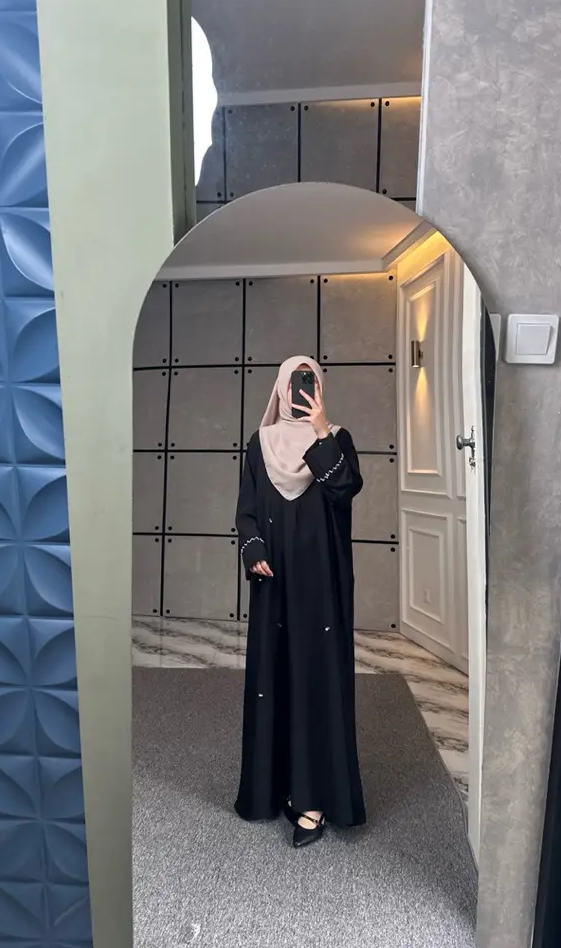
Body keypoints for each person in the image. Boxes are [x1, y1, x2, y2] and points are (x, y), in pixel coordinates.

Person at [233, 356, 367, 848]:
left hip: (320, 580)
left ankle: (313, 801)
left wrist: (321, 429)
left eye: (308, 382)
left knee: (315, 679)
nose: (300, 390)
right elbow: (246, 510)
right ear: (280, 389)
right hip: (273, 579)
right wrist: (253, 549)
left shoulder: (337, 438)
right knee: (274, 677)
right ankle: (273, 788)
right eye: (294, 382)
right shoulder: (260, 442)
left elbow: (345, 489)